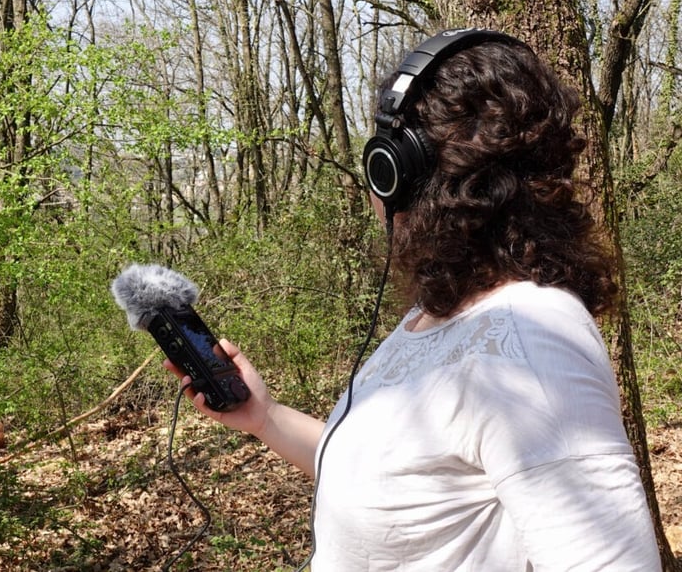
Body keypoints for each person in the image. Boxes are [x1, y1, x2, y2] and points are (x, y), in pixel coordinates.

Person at [164, 29, 662, 570]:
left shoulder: (529, 340)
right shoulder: (438, 319)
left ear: (402, 171)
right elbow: (393, 482)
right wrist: (266, 418)